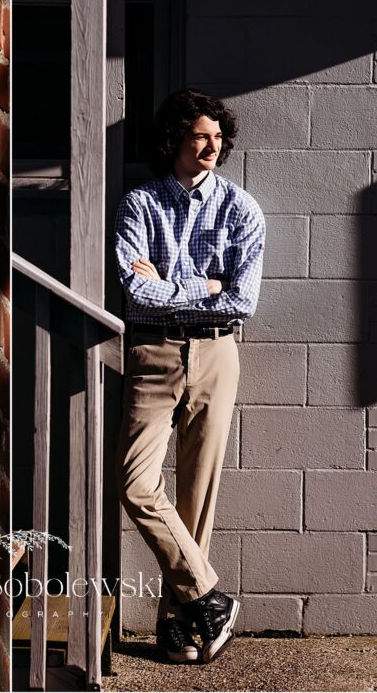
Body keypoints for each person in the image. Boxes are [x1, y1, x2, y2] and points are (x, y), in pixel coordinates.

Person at [113, 88, 266, 665]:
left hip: (216, 356)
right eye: (201, 135)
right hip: (152, 353)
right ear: (175, 138)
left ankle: (176, 624)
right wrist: (206, 286)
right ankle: (208, 596)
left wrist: (178, 289)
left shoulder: (241, 209)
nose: (212, 146)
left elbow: (242, 300)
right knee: (135, 482)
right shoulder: (141, 205)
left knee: (197, 496)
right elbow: (135, 291)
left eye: (219, 137)